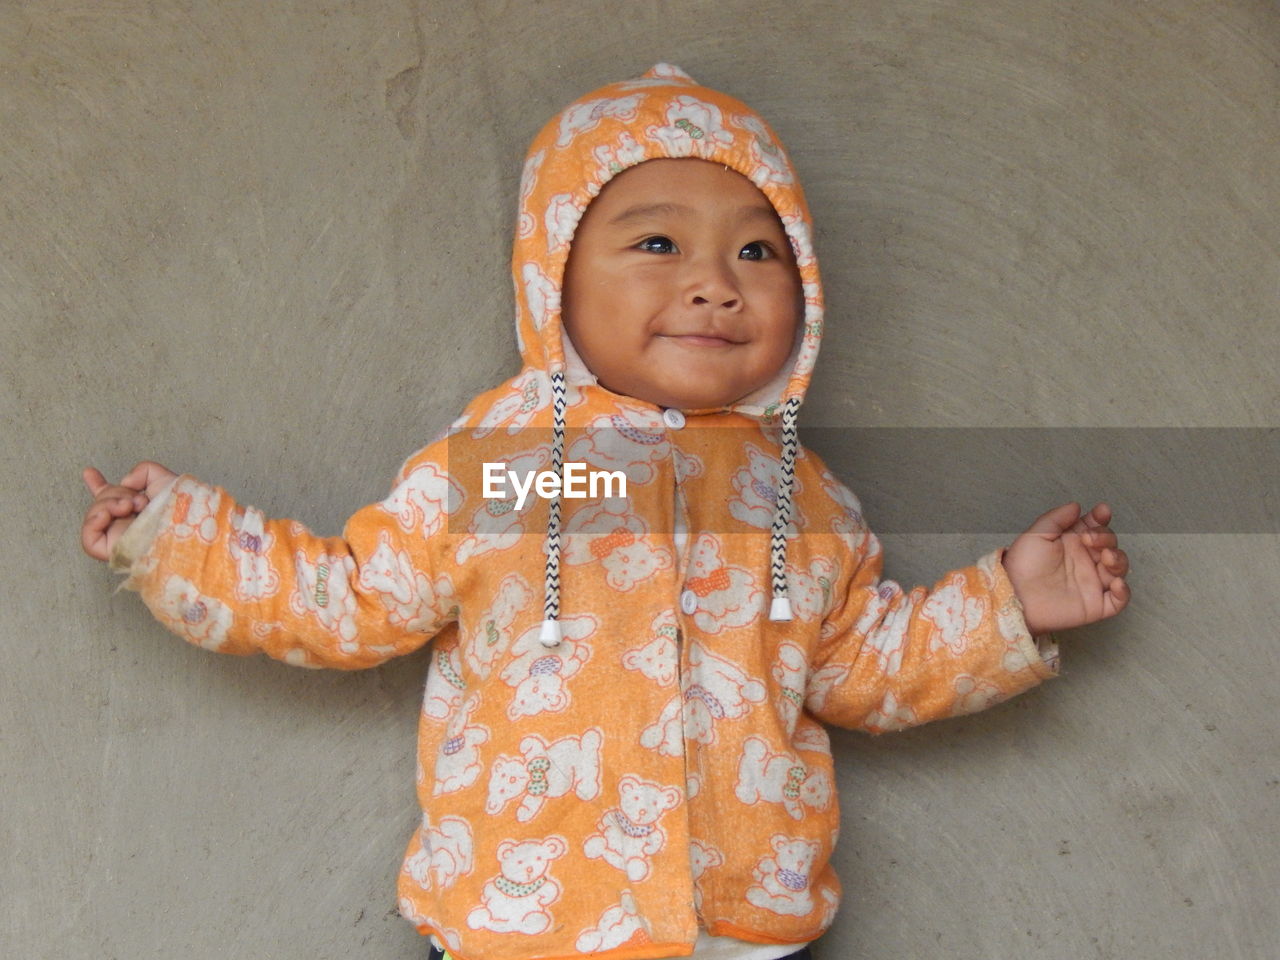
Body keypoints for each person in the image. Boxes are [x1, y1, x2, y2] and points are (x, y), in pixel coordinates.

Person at [80, 63, 1130, 960]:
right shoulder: (508, 468)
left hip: (748, 931)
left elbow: (856, 667)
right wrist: (176, 540)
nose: (716, 285)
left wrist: (1007, 607)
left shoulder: (801, 500)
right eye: (656, 245)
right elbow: (347, 600)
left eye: (756, 252)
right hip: (519, 925)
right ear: (555, 280)